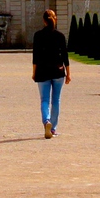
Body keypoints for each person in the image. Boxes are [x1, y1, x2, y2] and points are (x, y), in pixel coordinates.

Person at [31, 8, 70, 138]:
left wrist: (34, 72)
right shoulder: (60, 36)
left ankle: (46, 121)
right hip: (58, 71)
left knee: (44, 100)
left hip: (42, 71)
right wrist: (68, 74)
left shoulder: (38, 35)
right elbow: (65, 56)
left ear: (43, 21)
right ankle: (53, 128)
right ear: (55, 19)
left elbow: (35, 56)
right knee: (56, 100)